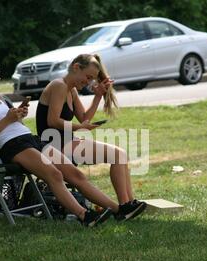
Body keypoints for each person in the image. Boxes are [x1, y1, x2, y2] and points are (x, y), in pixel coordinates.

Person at [0, 52, 120, 227]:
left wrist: (17, 115)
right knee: (54, 174)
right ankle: (84, 215)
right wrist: (8, 119)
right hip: (13, 146)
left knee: (75, 174)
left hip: (31, 139)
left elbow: (10, 122)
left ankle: (118, 210)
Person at [36, 53, 146, 221]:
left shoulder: (71, 90)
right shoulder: (59, 85)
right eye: (87, 77)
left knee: (120, 154)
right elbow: (52, 121)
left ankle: (129, 203)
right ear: (76, 67)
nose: (88, 82)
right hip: (53, 142)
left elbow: (84, 117)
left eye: (91, 80)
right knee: (117, 155)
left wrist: (98, 96)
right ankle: (125, 207)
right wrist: (81, 127)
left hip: (66, 140)